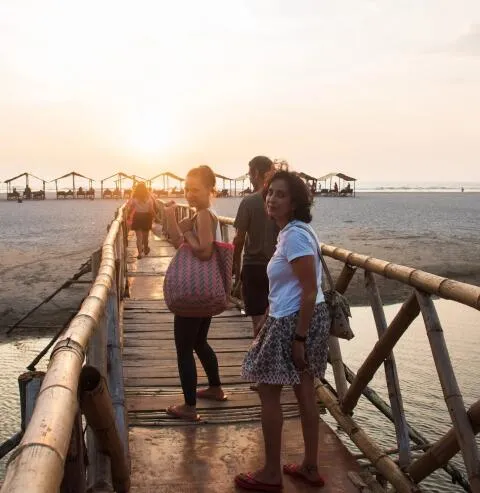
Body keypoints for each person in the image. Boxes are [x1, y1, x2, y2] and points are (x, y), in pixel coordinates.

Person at [235, 170, 330, 492]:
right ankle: (310, 467)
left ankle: (271, 474)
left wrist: (299, 338)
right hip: (296, 317)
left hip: (295, 321)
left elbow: (308, 289)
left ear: (295, 202)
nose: (272, 199)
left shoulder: (294, 236)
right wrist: (269, 317)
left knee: (268, 390)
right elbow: (299, 287)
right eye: (270, 193)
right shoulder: (295, 231)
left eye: (281, 195)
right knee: (304, 391)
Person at [163, 165, 227, 421]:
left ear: (210, 190)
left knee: (184, 348)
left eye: (195, 190)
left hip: (193, 291)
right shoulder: (205, 213)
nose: (189, 194)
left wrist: (187, 230)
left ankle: (189, 407)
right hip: (204, 288)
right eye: (187, 189)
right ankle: (215, 387)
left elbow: (203, 250)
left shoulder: (202, 215)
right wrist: (173, 220)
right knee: (199, 342)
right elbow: (182, 243)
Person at [233, 156, 278, 334]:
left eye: (250, 174)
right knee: (278, 319)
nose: (250, 178)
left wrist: (236, 269)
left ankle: (259, 357)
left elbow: (239, 239)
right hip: (278, 266)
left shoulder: (249, 202)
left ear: (257, 173)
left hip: (254, 267)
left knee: (258, 323)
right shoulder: (281, 201)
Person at [126, 182, 156, 259]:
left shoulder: (134, 198)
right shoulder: (149, 198)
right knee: (145, 237)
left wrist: (128, 216)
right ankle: (146, 248)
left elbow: (131, 208)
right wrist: (156, 218)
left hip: (137, 217)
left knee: (138, 237)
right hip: (146, 217)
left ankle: (140, 253)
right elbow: (151, 210)